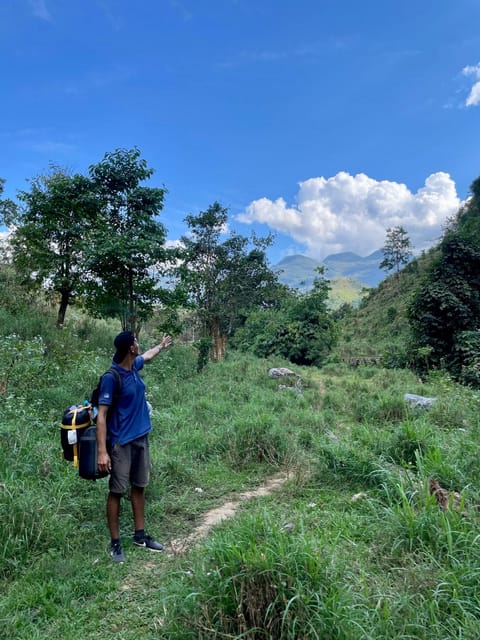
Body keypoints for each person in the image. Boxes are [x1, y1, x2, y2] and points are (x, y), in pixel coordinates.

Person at [96, 330, 172, 563]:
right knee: (117, 491)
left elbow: (147, 356)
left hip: (141, 438)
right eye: (136, 342)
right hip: (121, 442)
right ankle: (116, 542)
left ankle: (140, 536)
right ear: (130, 348)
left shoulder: (134, 366)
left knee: (139, 486)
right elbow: (101, 415)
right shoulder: (112, 376)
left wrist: (160, 346)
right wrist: (102, 451)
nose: (139, 345)